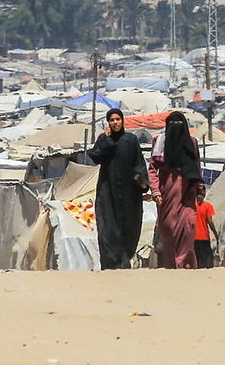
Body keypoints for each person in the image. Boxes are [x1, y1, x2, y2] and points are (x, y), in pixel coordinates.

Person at [87, 108, 149, 270]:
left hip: (129, 194)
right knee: (107, 227)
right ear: (108, 122)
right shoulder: (104, 139)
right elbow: (95, 156)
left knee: (128, 226)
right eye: (112, 120)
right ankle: (109, 263)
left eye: (118, 119)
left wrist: (142, 181)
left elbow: (139, 163)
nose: (115, 123)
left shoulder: (130, 140)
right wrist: (106, 140)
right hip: (107, 191)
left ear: (123, 121)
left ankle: (123, 259)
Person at [152, 112, 204, 269]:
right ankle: (172, 267)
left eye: (179, 124)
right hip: (167, 194)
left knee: (188, 228)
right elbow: (153, 168)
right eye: (172, 124)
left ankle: (186, 266)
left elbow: (196, 166)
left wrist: (200, 188)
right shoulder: (160, 142)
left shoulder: (192, 142)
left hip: (187, 192)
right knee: (169, 231)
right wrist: (155, 191)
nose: (176, 127)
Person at [194, 192, 217, 269]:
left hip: (194, 237)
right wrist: (216, 234)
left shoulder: (192, 206)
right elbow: (210, 221)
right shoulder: (208, 206)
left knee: (197, 257)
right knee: (207, 258)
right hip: (204, 237)